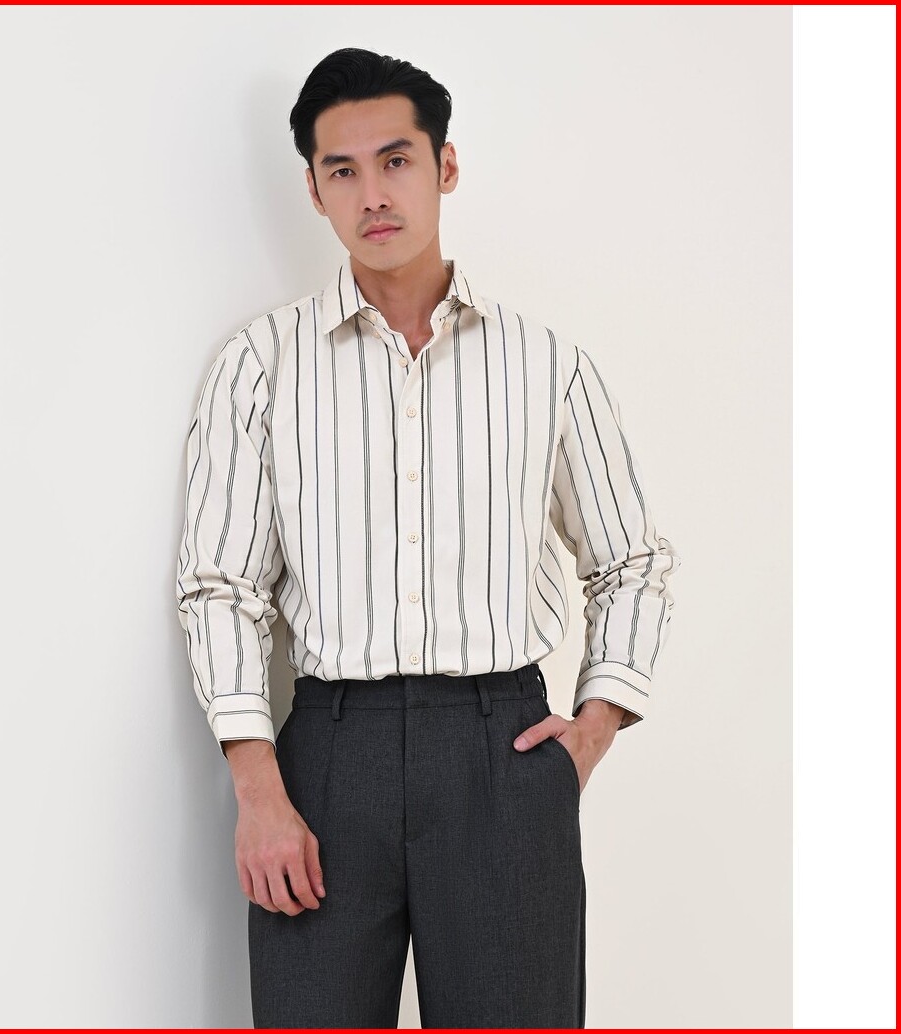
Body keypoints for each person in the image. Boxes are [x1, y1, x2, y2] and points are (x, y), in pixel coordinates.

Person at [175, 47, 682, 1029]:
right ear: (314, 190)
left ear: (445, 166)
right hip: (326, 757)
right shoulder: (261, 365)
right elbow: (219, 587)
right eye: (342, 169)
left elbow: (632, 561)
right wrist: (258, 791)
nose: (372, 193)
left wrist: (588, 734)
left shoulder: (545, 363)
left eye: (396, 160)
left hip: (501, 748)